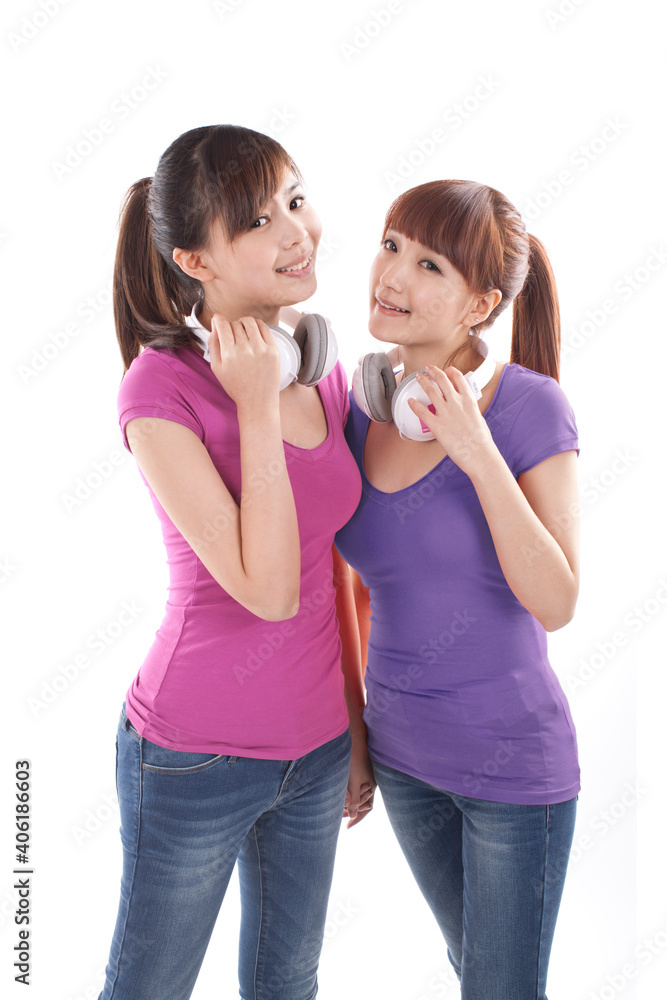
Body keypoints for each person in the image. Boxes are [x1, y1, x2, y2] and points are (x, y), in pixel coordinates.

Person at [99, 124, 374, 1000]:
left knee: (287, 985)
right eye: (260, 221)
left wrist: (352, 726)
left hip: (317, 750)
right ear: (197, 259)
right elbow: (264, 589)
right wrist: (255, 403)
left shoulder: (320, 370)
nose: (298, 231)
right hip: (193, 759)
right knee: (148, 988)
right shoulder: (160, 389)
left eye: (296, 199)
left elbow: (329, 575)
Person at [334, 179, 580, 1000]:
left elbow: (557, 600)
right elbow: (352, 584)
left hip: (514, 770)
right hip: (403, 757)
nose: (392, 274)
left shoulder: (529, 410)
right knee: (474, 973)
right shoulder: (357, 414)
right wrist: (355, 734)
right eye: (391, 244)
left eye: (428, 263)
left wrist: (476, 452)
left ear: (478, 305)